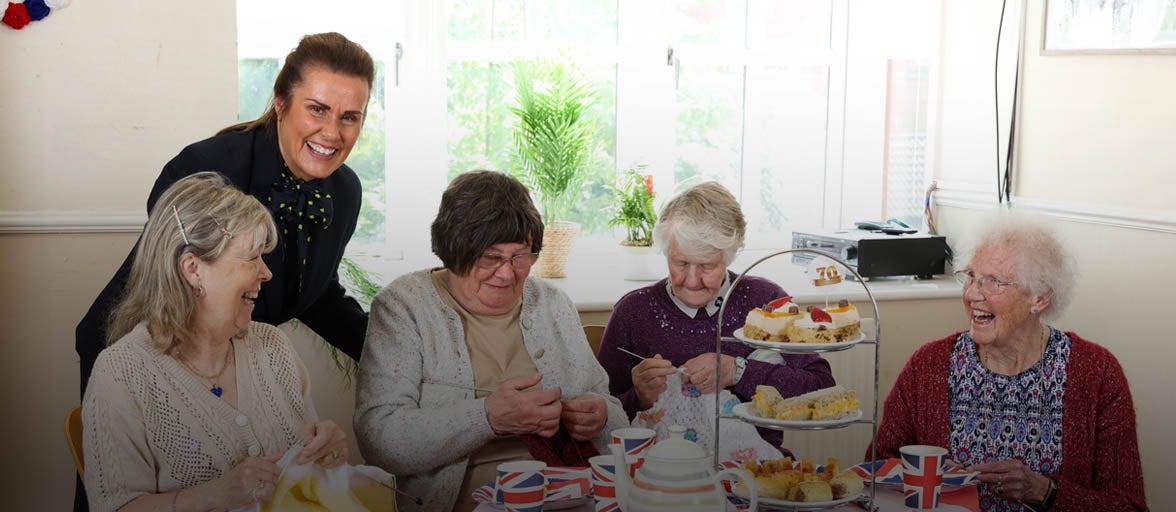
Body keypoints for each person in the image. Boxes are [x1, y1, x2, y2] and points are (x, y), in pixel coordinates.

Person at [76, 31, 374, 395]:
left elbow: (310, 291)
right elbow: (169, 298)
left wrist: (398, 355)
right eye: (317, 109)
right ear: (281, 103)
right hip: (146, 359)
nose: (331, 132)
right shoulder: (203, 168)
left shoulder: (344, 191)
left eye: (349, 117)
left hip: (232, 367)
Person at [354, 170, 629, 511]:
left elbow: (615, 416)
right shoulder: (404, 307)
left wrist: (599, 417)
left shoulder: (553, 304)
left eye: (521, 255)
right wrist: (487, 418)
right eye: (491, 257)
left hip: (572, 497)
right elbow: (380, 439)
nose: (508, 272)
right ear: (454, 250)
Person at [83, 172, 349, 512]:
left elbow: (309, 472)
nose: (266, 273)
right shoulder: (122, 373)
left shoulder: (273, 347)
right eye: (252, 258)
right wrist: (217, 494)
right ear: (193, 269)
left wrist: (329, 453)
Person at [871, 219, 1147, 511]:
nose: (973, 294)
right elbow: (877, 471)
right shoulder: (928, 366)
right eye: (972, 277)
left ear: (1039, 297)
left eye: (993, 281)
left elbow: (1129, 506)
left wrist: (1046, 491)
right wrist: (929, 480)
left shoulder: (1096, 373)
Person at [595, 181, 836, 448]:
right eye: (681, 263)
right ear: (666, 252)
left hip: (754, 475)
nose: (693, 280)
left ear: (729, 256)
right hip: (659, 472)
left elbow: (822, 389)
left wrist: (738, 372)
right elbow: (599, 419)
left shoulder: (766, 302)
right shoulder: (633, 312)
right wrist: (639, 398)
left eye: (707, 265)